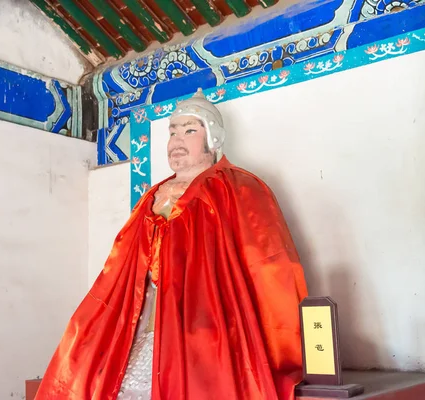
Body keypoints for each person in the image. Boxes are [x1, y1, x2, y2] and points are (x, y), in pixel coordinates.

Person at [35, 88, 308, 400]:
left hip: (208, 330)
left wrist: (281, 345)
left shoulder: (242, 188)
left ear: (214, 139)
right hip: (144, 324)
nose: (177, 141)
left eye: (190, 130)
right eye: (172, 132)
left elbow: (271, 268)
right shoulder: (153, 196)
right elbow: (120, 269)